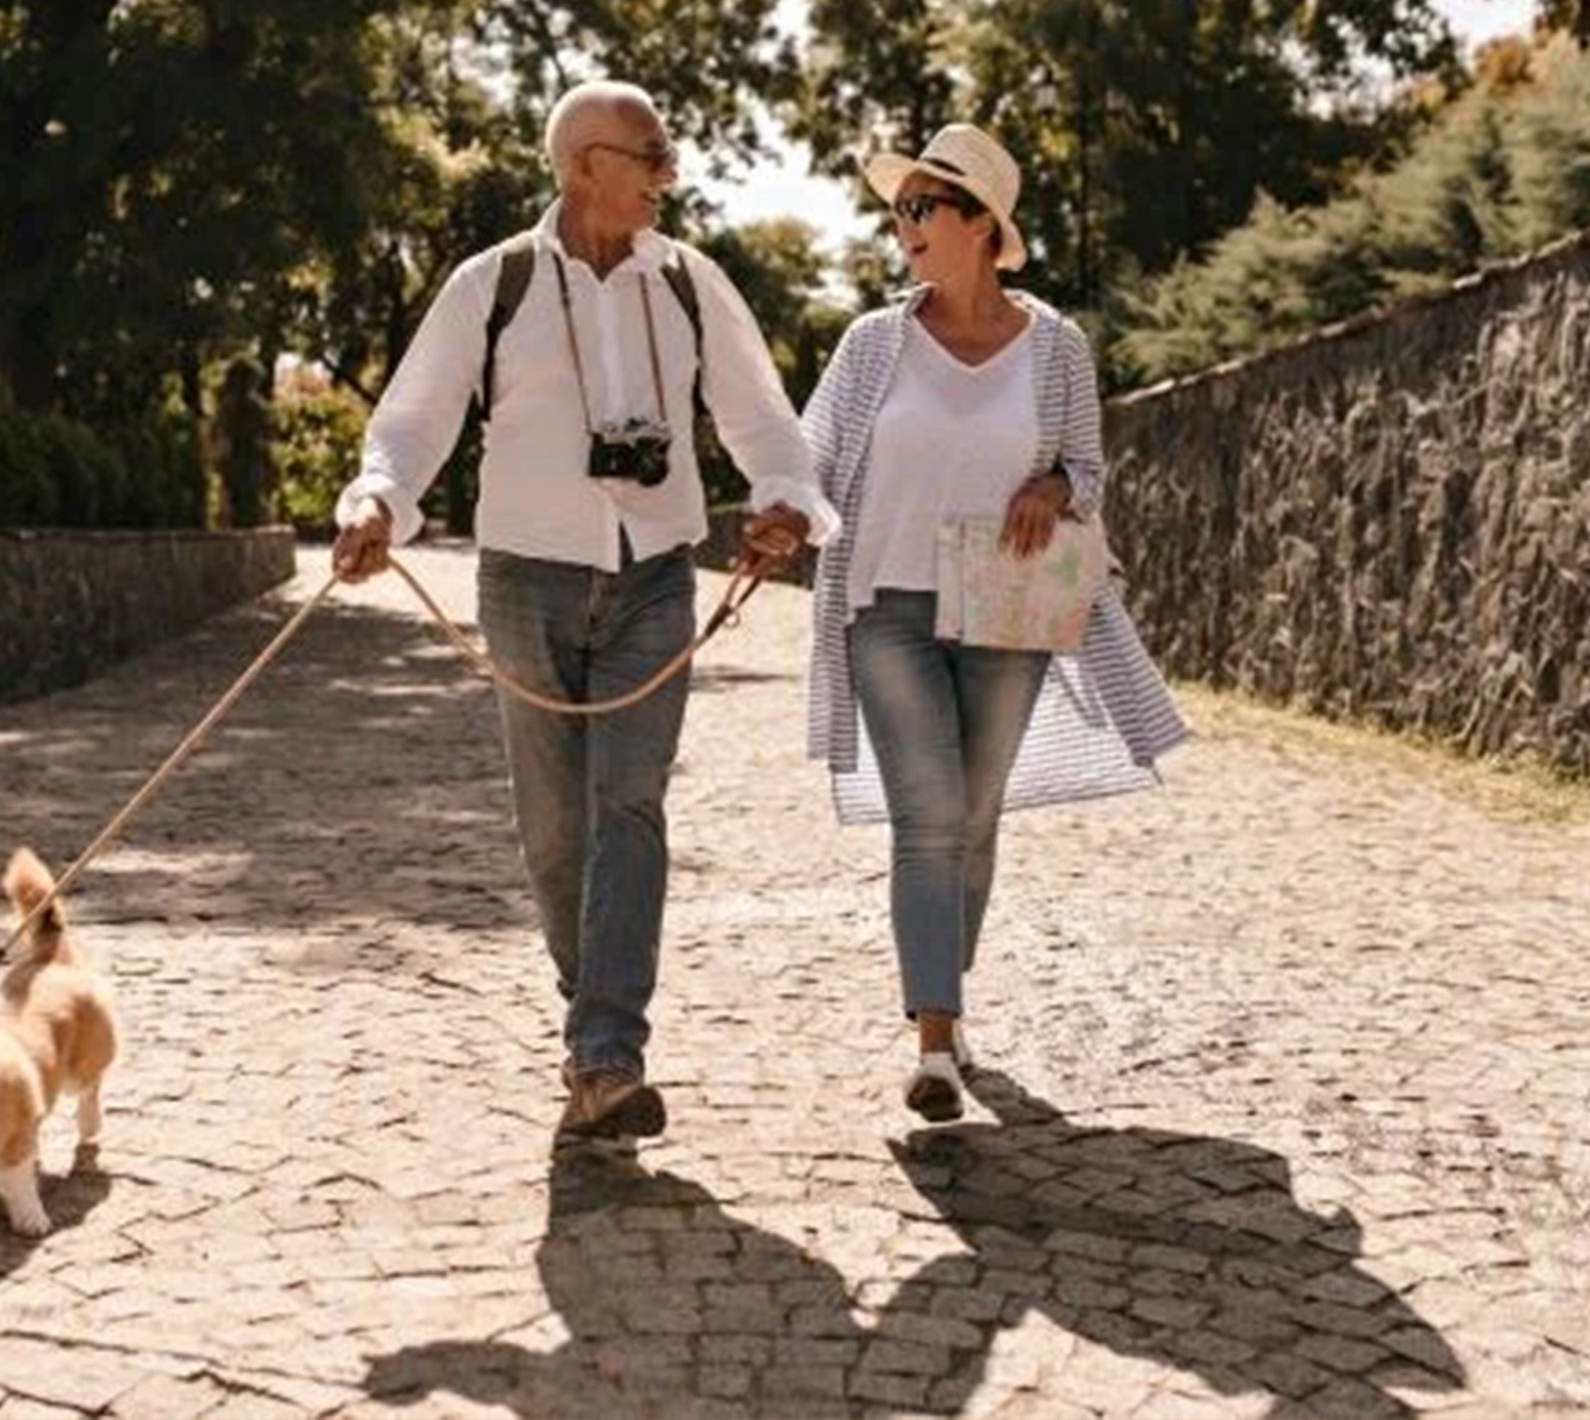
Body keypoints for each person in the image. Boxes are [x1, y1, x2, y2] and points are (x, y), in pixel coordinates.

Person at [333, 80, 838, 1144]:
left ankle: (608, 1051)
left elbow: (762, 420)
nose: (667, 172)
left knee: (629, 807)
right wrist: (378, 499)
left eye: (665, 152)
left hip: (656, 572)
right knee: (555, 831)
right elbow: (414, 416)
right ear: (582, 166)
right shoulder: (497, 283)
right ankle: (591, 1029)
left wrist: (784, 504)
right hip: (523, 575)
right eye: (649, 153)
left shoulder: (691, 284)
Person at [799, 122, 1186, 1124]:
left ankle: (946, 994)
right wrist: (773, 518)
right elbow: (808, 454)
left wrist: (1055, 482)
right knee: (926, 817)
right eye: (898, 210)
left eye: (922, 207)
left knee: (970, 819)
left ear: (982, 224)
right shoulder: (870, 341)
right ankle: (932, 1043)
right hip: (885, 603)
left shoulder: (1055, 346)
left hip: (1008, 606)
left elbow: (1090, 472)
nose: (903, 226)